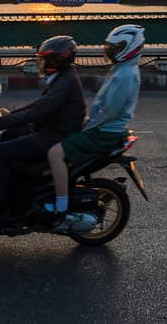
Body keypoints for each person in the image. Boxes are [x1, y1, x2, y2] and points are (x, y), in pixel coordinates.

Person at [0, 35, 86, 235]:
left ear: (55, 61)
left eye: (44, 59)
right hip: (51, 129)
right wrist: (9, 116)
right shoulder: (63, 77)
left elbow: (38, 112)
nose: (40, 63)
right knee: (8, 136)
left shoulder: (65, 82)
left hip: (55, 136)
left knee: (0, 153)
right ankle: (16, 191)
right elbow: (38, 107)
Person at [43, 25, 144, 218]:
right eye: (110, 48)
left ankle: (61, 205)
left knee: (55, 153)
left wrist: (87, 126)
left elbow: (110, 111)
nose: (111, 51)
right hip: (104, 128)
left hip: (104, 132)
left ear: (131, 47)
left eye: (116, 47)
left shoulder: (125, 75)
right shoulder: (123, 69)